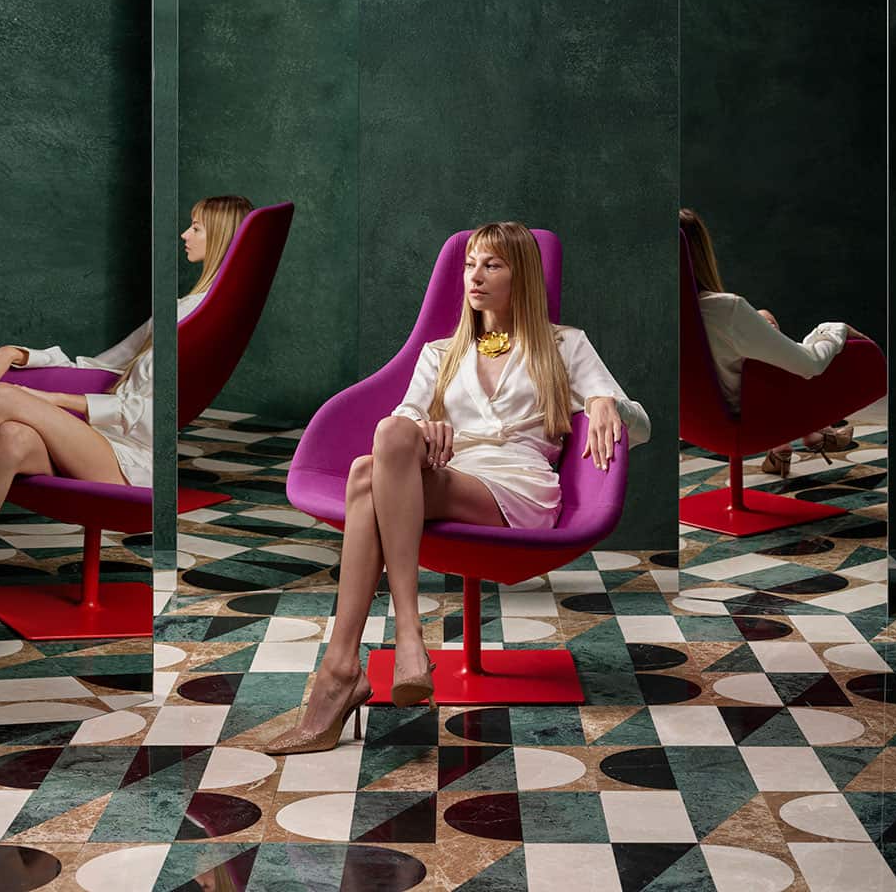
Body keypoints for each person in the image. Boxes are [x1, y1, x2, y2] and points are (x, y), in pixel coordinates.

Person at [265, 221, 650, 755]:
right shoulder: (440, 352)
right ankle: (378, 653)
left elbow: (642, 426)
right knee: (385, 444)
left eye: (492, 265)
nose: (476, 276)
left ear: (523, 276)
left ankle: (360, 662)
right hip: (453, 471)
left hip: (518, 485)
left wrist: (608, 401)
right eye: (470, 264)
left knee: (364, 476)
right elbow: (401, 418)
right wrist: (424, 429)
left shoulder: (565, 344)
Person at [0, 195, 252, 534]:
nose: (184, 235)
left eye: (195, 228)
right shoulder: (178, 310)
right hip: (98, 442)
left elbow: (160, 415)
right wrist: (16, 353)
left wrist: (53, 401)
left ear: (222, 238)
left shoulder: (205, 321)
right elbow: (97, 367)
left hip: (134, 461)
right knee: (11, 438)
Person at [680, 207, 868, 477]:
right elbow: (810, 365)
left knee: (763, 319)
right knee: (784, 343)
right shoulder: (725, 310)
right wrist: (834, 330)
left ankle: (792, 444)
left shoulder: (657, 313)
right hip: (746, 421)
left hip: (696, 423)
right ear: (701, 253)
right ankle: (812, 432)